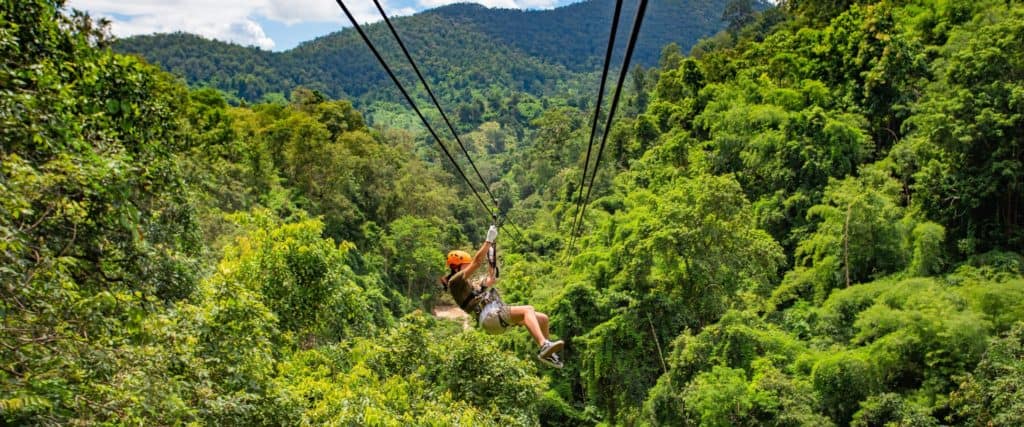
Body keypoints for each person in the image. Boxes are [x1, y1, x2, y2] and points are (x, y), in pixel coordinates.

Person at [441, 225, 564, 368]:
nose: (468, 268)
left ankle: (547, 352)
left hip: (494, 316)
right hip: (490, 317)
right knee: (527, 310)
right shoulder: (455, 282)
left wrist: (491, 267)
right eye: (465, 266)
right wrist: (488, 240)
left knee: (543, 319)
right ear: (456, 267)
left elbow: (489, 281)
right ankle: (544, 346)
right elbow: (477, 262)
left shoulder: (470, 286)